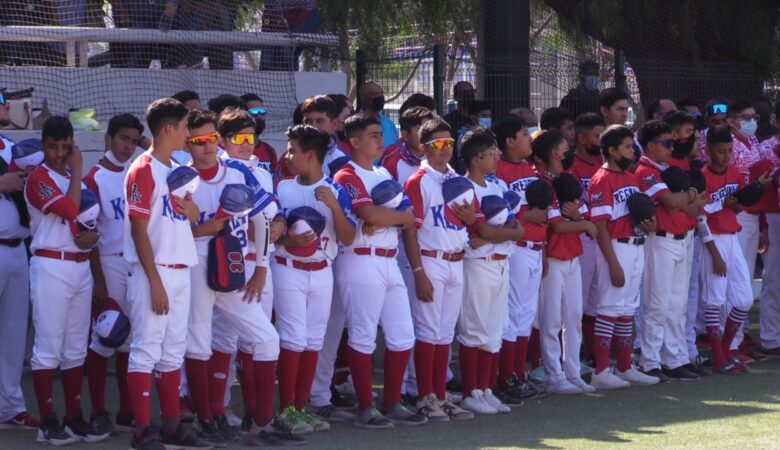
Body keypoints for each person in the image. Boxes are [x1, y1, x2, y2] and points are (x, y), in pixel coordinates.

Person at [123, 98, 211, 450]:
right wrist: (155, 282)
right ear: (169, 129)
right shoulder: (142, 168)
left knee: (174, 351)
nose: (189, 133)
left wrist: (192, 210)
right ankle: (142, 431)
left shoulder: (178, 168)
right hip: (153, 272)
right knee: (146, 349)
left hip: (180, 268)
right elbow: (138, 230)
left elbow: (192, 218)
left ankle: (172, 425)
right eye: (186, 126)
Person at [332, 113, 424, 428]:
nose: (378, 138)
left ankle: (392, 402)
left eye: (378, 133)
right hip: (360, 258)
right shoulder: (346, 173)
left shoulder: (383, 171)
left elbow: (409, 215)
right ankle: (366, 407)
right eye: (371, 134)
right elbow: (367, 212)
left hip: (388, 258)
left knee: (402, 335)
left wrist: (386, 217)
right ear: (354, 141)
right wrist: (386, 215)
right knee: (363, 335)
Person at [23, 117, 105, 444]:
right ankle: (48, 421)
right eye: (53, 146)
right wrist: (79, 165)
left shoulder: (78, 180)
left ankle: (74, 416)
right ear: (43, 146)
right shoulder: (37, 178)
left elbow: (89, 224)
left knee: (75, 350)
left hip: (80, 266)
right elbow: (71, 209)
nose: (59, 153)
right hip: (50, 264)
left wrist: (93, 238)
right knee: (48, 350)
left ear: (71, 142)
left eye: (65, 146)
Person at [271, 124, 356, 434]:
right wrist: (287, 242)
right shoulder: (281, 187)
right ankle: (286, 409)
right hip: (287, 268)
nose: (288, 155)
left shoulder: (335, 190)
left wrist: (334, 207)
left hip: (322, 271)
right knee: (292, 338)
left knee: (313, 341)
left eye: (293, 149)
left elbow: (348, 237)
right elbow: (271, 235)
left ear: (310, 154)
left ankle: (302, 406)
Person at [402, 117, 476, 422]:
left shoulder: (457, 179)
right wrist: (418, 271)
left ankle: (441, 396)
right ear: (423, 147)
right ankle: (425, 397)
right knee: (428, 332)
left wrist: (472, 219)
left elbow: (471, 223)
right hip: (430, 260)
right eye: (437, 144)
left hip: (456, 260)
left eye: (448, 143)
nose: (444, 149)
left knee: (445, 334)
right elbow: (409, 230)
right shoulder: (418, 180)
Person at [457, 127, 526, 414]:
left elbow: (518, 229)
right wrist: (490, 233)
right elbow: (481, 229)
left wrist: (490, 234)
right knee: (474, 330)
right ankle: (471, 391)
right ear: (475, 159)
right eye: (490, 153)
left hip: (500, 262)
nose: (497, 156)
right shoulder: (463, 187)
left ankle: (486, 388)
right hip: (478, 264)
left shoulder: (496, 185)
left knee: (495, 331)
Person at [83, 114, 144, 434]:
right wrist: (99, 280)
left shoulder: (137, 172)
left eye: (134, 140)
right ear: (108, 138)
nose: (127, 146)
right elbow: (89, 234)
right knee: (105, 337)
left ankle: (126, 409)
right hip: (108, 262)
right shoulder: (94, 178)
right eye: (122, 138)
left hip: (134, 262)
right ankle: (98, 411)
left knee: (128, 341)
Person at [587, 125, 659, 390]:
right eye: (627, 146)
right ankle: (601, 370)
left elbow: (635, 216)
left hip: (636, 243)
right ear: (612, 150)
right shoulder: (601, 179)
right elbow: (601, 227)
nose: (632, 150)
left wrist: (648, 226)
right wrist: (613, 263)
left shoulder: (630, 178)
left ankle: (625, 366)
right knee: (609, 307)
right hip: (615, 247)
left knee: (627, 309)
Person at [633, 120, 703, 382]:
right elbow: (671, 203)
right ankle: (650, 361)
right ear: (650, 145)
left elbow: (691, 206)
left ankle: (675, 359)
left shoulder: (668, 168)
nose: (671, 147)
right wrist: (691, 195)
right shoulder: (645, 170)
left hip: (683, 237)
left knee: (677, 304)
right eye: (667, 143)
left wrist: (687, 198)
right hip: (659, 240)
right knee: (657, 303)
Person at [699, 126, 769, 374]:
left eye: (729, 150)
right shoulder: (703, 175)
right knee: (714, 301)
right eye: (721, 151)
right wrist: (714, 254)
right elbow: (700, 217)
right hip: (712, 241)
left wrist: (737, 203)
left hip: (732, 236)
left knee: (744, 299)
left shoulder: (732, 172)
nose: (726, 156)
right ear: (708, 151)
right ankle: (719, 358)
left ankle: (726, 350)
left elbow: (737, 206)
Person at [533, 131, 598, 394]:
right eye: (562, 147)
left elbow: (583, 213)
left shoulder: (568, 182)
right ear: (551, 154)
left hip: (572, 255)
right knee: (551, 319)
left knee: (573, 317)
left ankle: (573, 371)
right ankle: (554, 375)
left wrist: (579, 219)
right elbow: (557, 226)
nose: (566, 151)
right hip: (552, 257)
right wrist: (582, 223)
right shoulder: (541, 185)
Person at [491, 115, 546, 403]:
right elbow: (502, 215)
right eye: (525, 133)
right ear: (509, 141)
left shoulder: (528, 167)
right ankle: (507, 378)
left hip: (535, 247)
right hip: (516, 248)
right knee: (512, 316)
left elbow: (543, 211)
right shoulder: (499, 171)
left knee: (525, 316)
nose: (530, 137)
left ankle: (519, 375)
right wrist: (530, 216)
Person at [724, 99, 765, 360]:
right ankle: (730, 343)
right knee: (734, 283)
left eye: (753, 116)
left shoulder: (754, 142)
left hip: (753, 216)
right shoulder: (728, 145)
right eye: (745, 116)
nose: (751, 121)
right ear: (732, 120)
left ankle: (738, 338)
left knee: (746, 280)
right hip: (736, 216)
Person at [568, 113, 606, 363]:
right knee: (578, 300)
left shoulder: (600, 162)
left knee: (596, 298)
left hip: (601, 235)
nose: (601, 141)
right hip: (580, 235)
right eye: (597, 136)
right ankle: (575, 350)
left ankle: (593, 350)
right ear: (582, 138)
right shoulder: (570, 164)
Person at [757, 103, 780, 355]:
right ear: (776, 121)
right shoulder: (764, 148)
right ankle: (772, 338)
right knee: (774, 277)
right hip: (773, 216)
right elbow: (761, 188)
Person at [240, 93, 279, 175]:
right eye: (254, 112)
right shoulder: (234, 149)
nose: (259, 116)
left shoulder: (270, 150)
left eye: (262, 111)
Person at [358, 81, 399, 148]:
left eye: (381, 93)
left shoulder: (388, 122)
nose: (380, 96)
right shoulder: (356, 123)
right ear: (364, 98)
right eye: (375, 94)